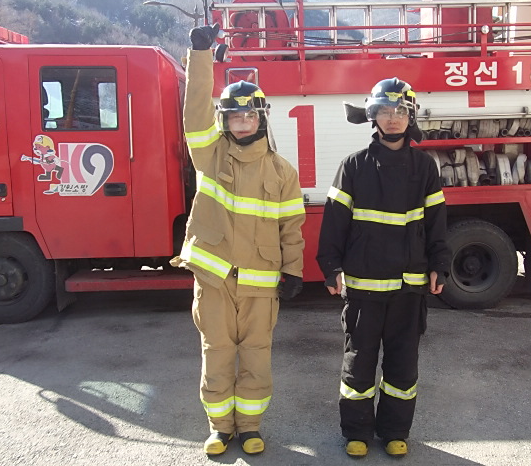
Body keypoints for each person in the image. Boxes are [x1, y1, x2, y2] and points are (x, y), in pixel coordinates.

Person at [170, 24, 305, 457]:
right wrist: (200, 55)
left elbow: (291, 226)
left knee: (257, 356)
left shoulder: (282, 171)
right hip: (214, 279)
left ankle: (249, 427)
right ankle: (219, 428)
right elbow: (194, 114)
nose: (242, 123)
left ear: (261, 118)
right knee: (217, 352)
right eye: (234, 116)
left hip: (260, 283)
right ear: (224, 120)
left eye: (249, 116)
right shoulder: (210, 154)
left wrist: (293, 271)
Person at [316, 78, 451, 458]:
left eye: (400, 112)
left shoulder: (425, 167)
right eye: (385, 111)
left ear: (411, 118)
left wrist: (440, 264)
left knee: (403, 367)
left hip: (409, 290)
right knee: (358, 365)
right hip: (364, 290)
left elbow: (436, 223)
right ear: (372, 116)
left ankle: (394, 431)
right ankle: (356, 432)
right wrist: (330, 266)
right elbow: (334, 223)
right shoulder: (354, 166)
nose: (393, 118)